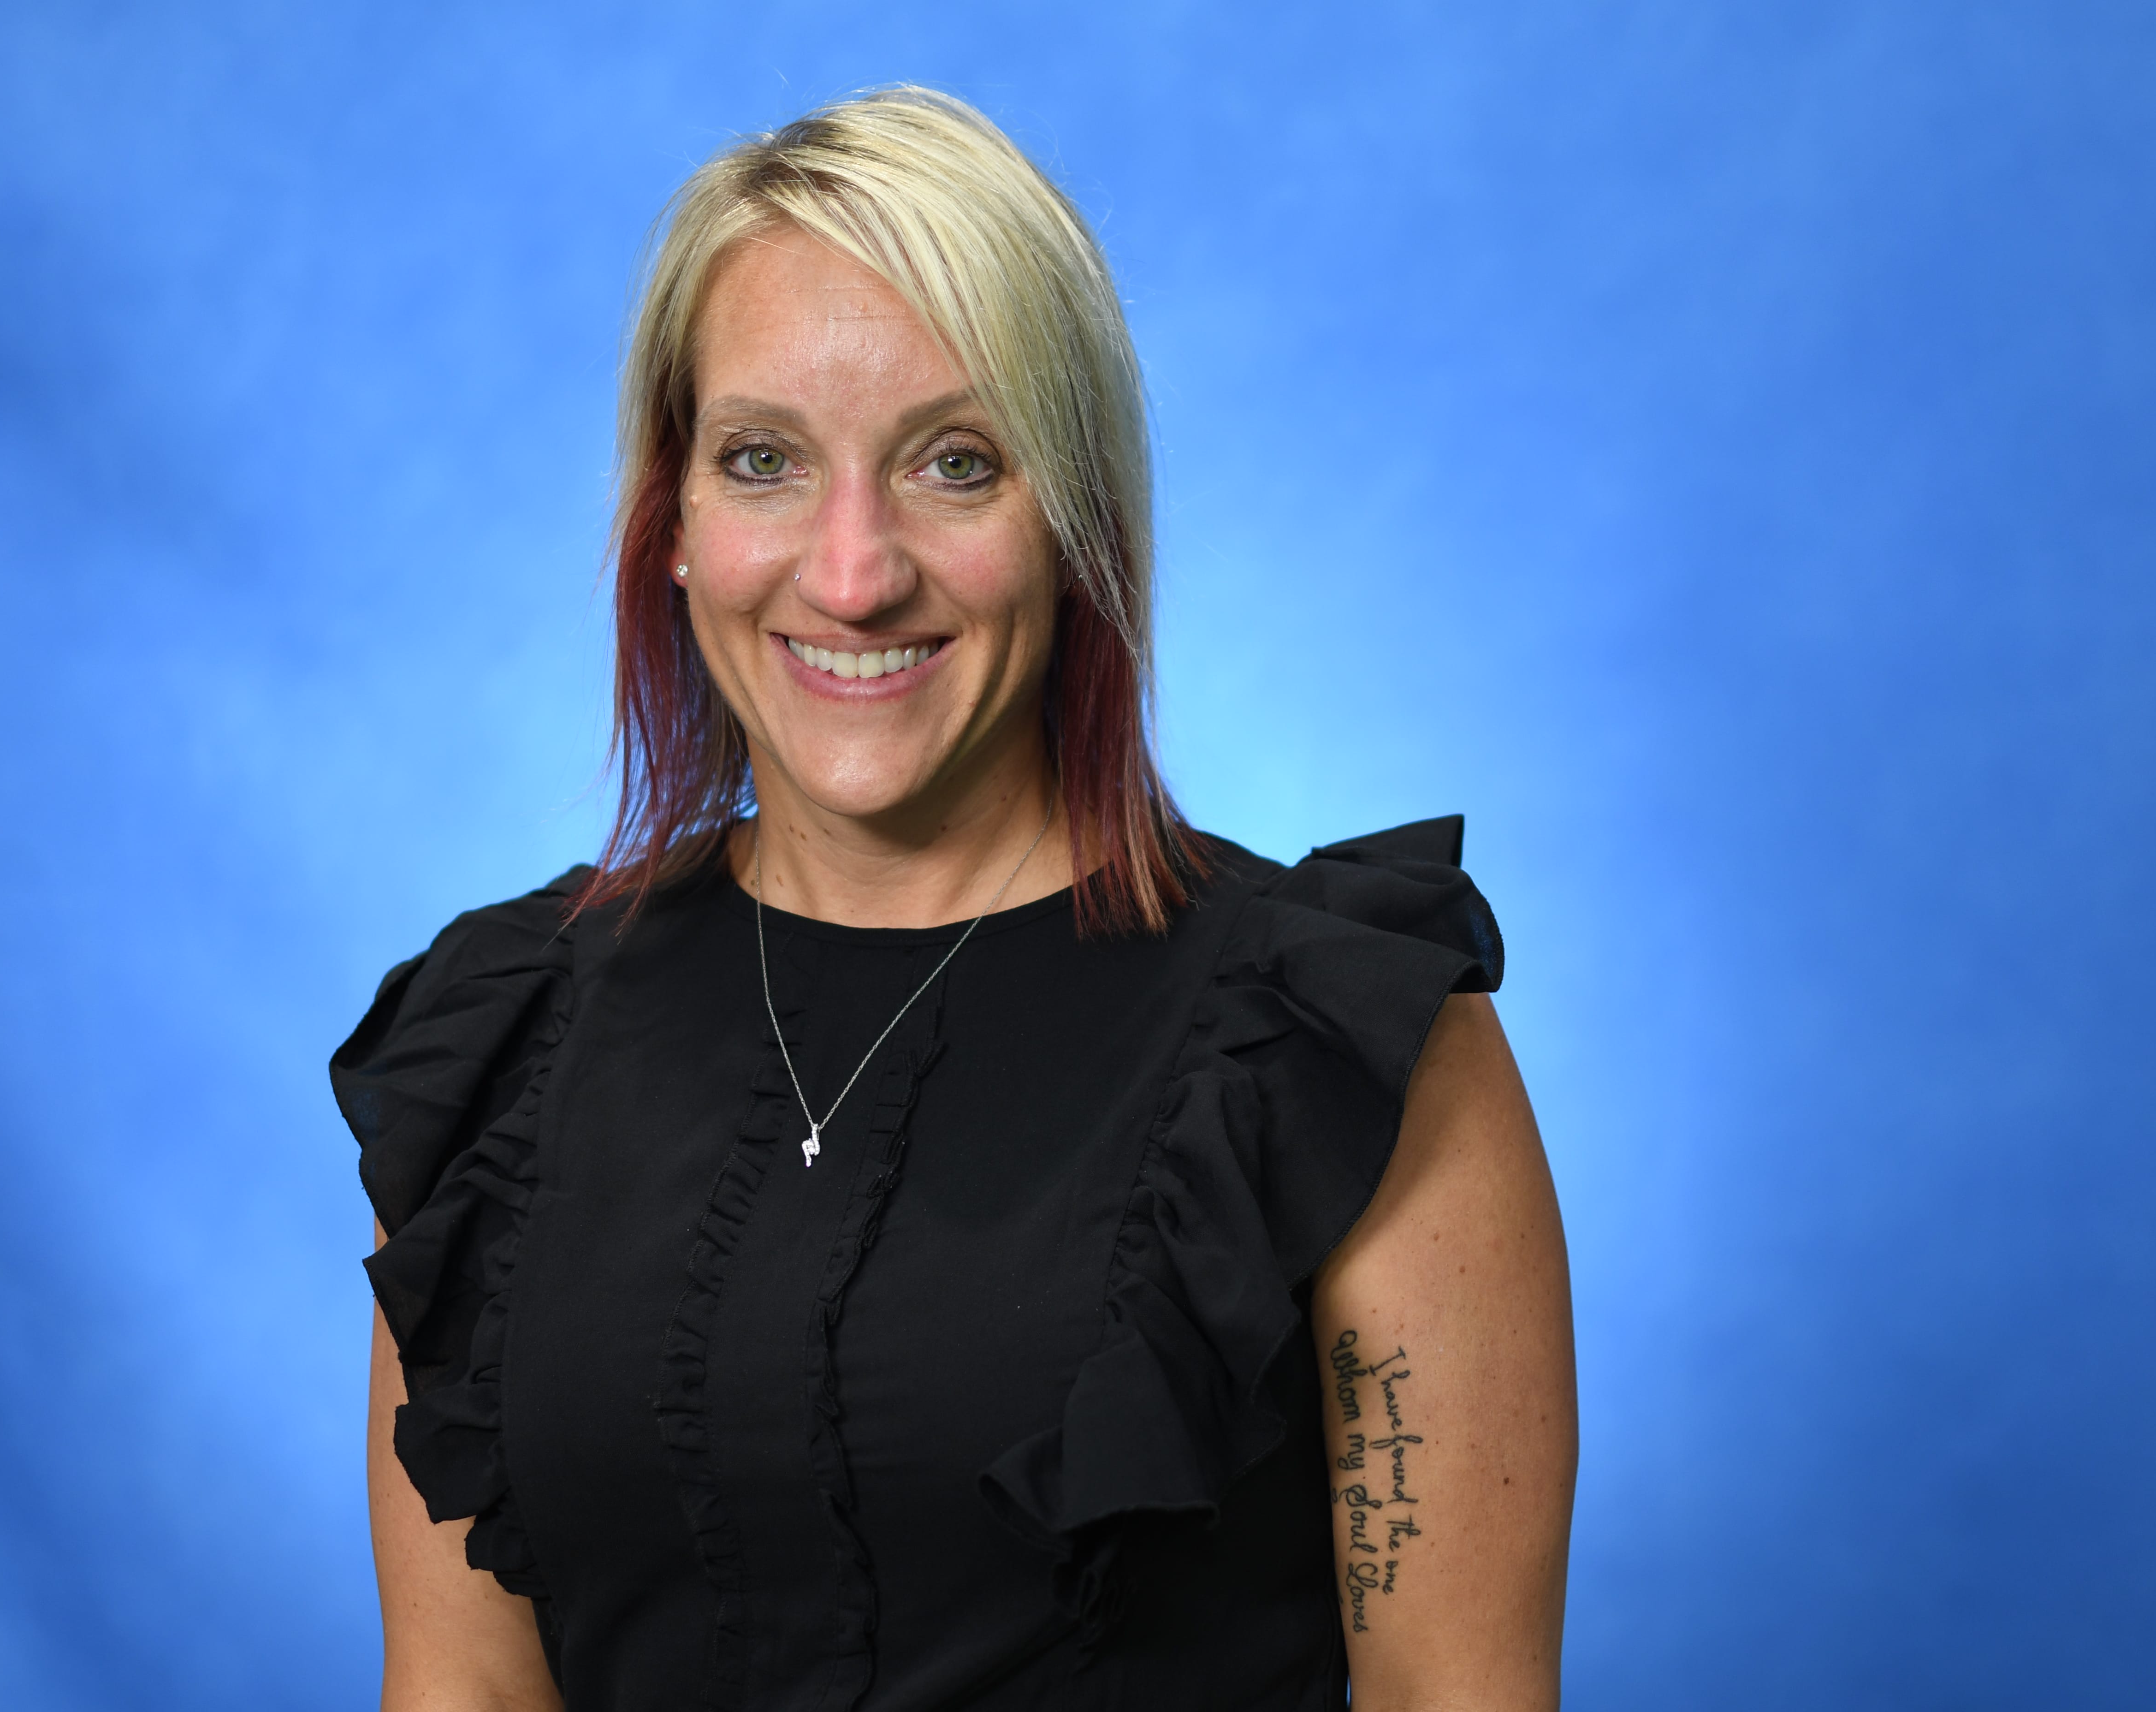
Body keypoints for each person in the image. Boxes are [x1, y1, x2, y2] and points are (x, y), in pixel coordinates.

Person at [334, 86, 1576, 1712]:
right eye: (764, 460)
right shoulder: (493, 1058)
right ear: (676, 524)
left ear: (1075, 525)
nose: (854, 573)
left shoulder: (1349, 1051)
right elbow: (465, 1696)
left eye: (956, 463)